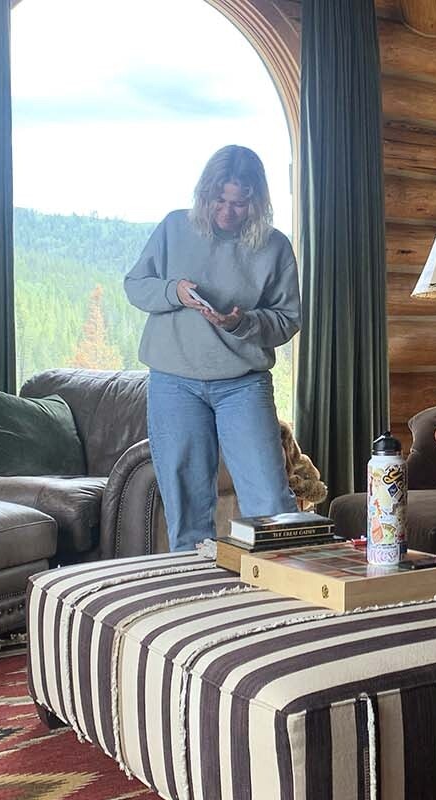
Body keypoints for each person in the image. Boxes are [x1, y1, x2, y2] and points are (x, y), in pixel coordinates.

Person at [125, 145, 299, 551]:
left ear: (256, 202)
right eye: (220, 200)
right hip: (175, 382)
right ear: (206, 194)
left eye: (239, 203)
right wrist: (175, 291)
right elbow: (136, 286)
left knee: (270, 500)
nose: (227, 212)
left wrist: (243, 322)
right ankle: (196, 600)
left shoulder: (274, 247)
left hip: (243, 384)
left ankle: (284, 589)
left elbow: (287, 320)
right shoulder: (174, 227)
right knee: (186, 507)